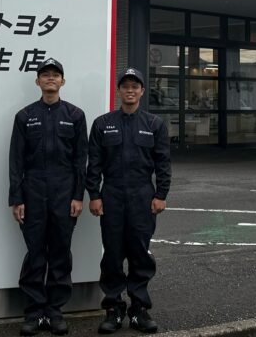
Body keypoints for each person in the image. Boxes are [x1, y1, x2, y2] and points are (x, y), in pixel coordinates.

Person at [86, 68, 171, 334]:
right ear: (119, 91)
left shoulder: (154, 124)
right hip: (112, 194)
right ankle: (113, 308)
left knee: (139, 253)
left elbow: (163, 163)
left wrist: (161, 195)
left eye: (135, 86)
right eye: (125, 86)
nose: (130, 90)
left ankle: (138, 309)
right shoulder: (102, 123)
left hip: (142, 195)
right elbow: (94, 164)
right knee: (112, 254)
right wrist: (94, 195)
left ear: (142, 91)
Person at [9, 58, 88, 336]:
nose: (50, 78)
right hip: (33, 193)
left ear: (63, 81)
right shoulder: (25, 116)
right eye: (45, 75)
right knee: (35, 253)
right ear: (38, 81)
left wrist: (78, 196)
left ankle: (55, 311)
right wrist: (17, 198)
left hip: (64, 193)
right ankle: (34, 311)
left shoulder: (75, 115)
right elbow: (16, 161)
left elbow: (81, 160)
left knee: (60, 252)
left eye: (55, 75)